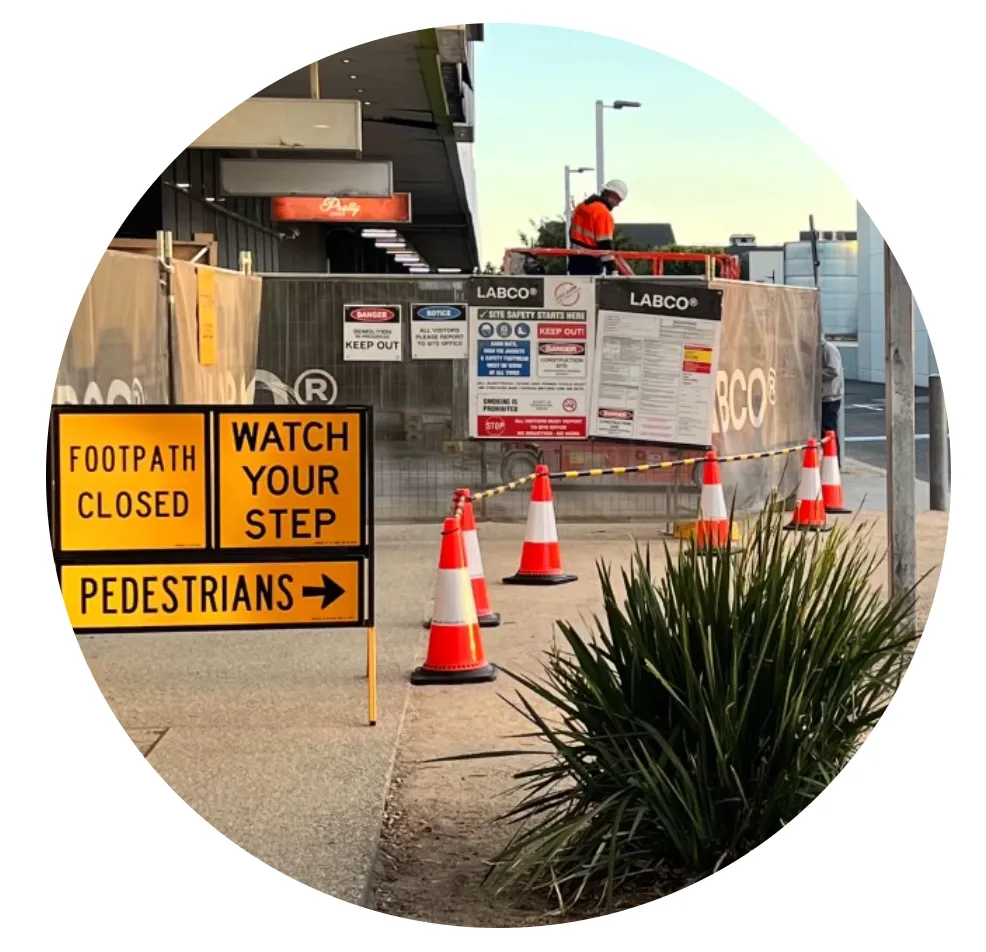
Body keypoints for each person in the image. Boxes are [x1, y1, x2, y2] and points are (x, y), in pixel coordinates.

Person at [567, 179, 628, 276]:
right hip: (591, 264)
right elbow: (605, 245)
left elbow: (571, 233)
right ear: (611, 196)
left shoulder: (581, 207)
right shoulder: (603, 213)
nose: (618, 204)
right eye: (618, 200)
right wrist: (612, 269)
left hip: (575, 261)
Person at [820, 337, 844, 465]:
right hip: (823, 396)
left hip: (830, 397)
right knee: (823, 431)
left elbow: (833, 370)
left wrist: (814, 373)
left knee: (829, 430)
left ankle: (834, 462)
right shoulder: (821, 349)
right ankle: (827, 461)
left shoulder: (828, 349)